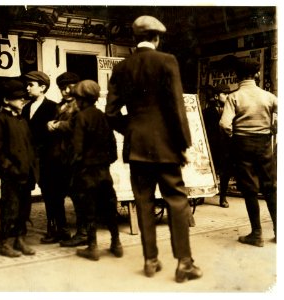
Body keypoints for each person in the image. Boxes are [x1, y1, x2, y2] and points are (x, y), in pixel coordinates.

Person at [106, 15, 202, 283]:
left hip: (137, 147)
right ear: (157, 39)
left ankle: (150, 260)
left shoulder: (121, 68)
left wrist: (133, 130)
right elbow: (176, 108)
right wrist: (183, 144)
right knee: (177, 201)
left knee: (144, 202)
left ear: (135, 40)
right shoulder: (167, 61)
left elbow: (111, 113)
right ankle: (184, 262)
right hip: (166, 146)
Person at [219, 58, 277, 246]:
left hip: (242, 144)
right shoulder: (268, 96)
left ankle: (257, 234)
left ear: (237, 76)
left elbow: (224, 124)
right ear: (257, 75)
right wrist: (273, 128)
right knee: (270, 187)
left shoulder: (234, 97)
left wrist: (232, 136)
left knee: (249, 188)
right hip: (264, 144)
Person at [69, 80, 122, 261]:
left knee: (88, 209)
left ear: (82, 99)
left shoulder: (80, 118)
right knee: (109, 207)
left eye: (77, 98)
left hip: (86, 172)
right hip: (104, 172)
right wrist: (105, 162)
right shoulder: (103, 116)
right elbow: (113, 147)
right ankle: (116, 243)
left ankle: (92, 247)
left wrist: (75, 166)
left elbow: (76, 149)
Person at [0, 79, 38, 257]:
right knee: (10, 208)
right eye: (18, 98)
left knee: (24, 209)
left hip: (26, 173)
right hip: (12, 175)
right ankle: (3, 243)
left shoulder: (22, 120)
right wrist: (9, 169)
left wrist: (33, 167)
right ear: (6, 100)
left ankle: (20, 240)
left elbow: (30, 146)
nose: (22, 100)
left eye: (24, 98)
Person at [22, 71, 71, 244]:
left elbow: (57, 134)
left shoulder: (52, 107)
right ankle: (53, 229)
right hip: (33, 159)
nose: (27, 88)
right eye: (27, 85)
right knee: (46, 194)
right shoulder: (26, 108)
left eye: (31, 85)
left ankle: (61, 229)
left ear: (42, 87)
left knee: (54, 195)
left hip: (50, 159)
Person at [47, 72, 89, 247]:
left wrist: (57, 125)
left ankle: (83, 233)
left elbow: (78, 126)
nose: (65, 91)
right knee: (57, 194)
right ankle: (62, 230)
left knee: (79, 196)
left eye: (69, 87)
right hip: (60, 158)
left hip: (76, 158)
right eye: (61, 88)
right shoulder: (59, 107)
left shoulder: (82, 106)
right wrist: (50, 123)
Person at [202, 84, 232, 208]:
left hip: (226, 146)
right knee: (206, 170)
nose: (227, 96)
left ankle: (223, 197)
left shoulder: (231, 110)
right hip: (211, 146)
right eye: (224, 94)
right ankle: (200, 195)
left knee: (226, 172)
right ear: (216, 96)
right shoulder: (207, 112)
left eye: (228, 94)